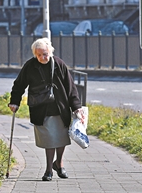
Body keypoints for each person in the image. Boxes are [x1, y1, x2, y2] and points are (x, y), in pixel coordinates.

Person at [8, 37, 85, 181]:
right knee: (50, 140)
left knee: (62, 139)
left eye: (45, 54)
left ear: (50, 51)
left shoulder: (59, 64)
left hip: (60, 108)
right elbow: (19, 85)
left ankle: (59, 164)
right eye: (39, 55)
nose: (43, 57)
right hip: (41, 109)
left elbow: (70, 87)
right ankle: (49, 169)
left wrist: (76, 107)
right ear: (35, 55)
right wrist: (14, 102)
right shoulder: (30, 66)